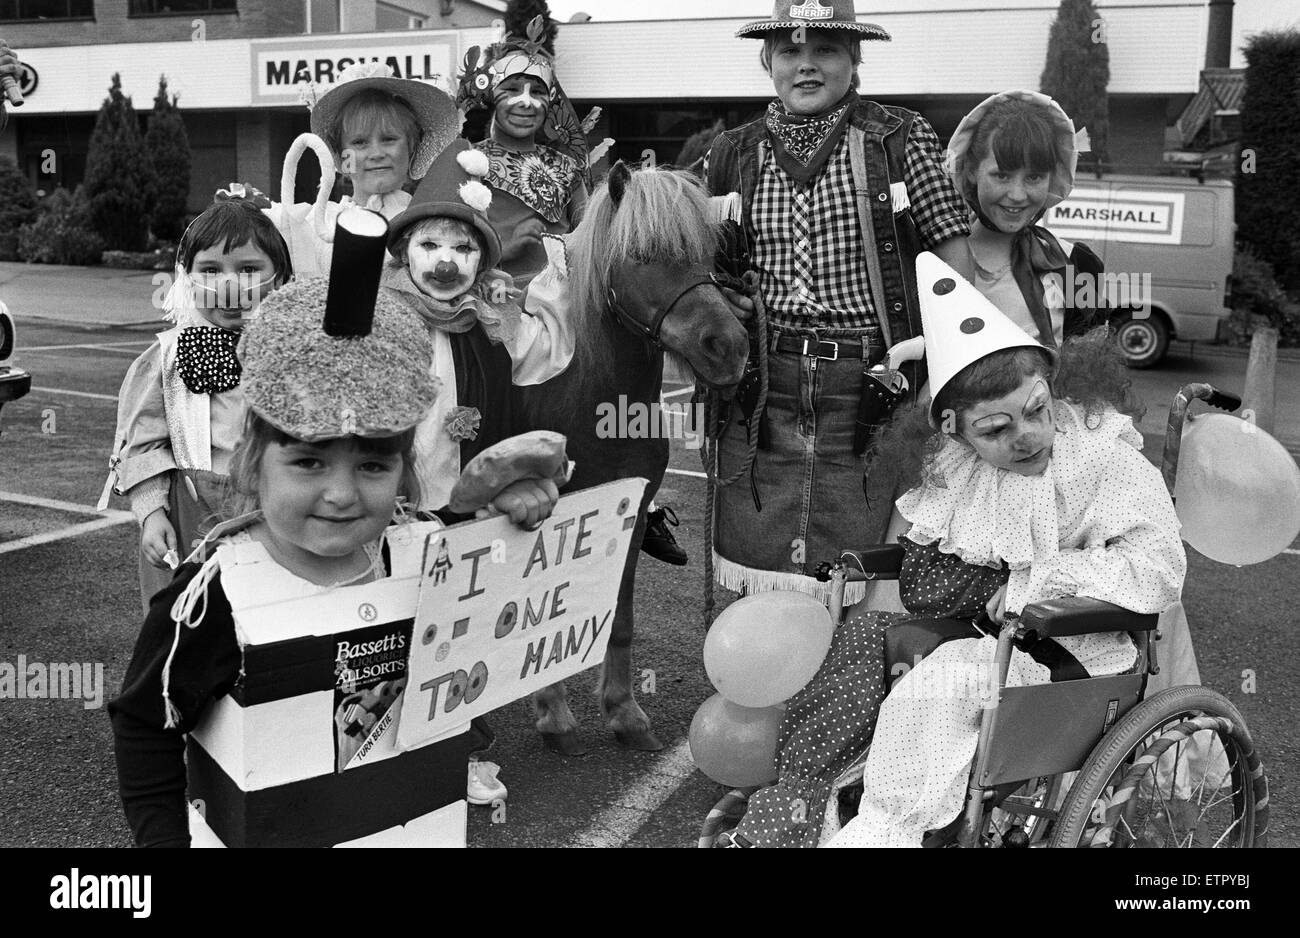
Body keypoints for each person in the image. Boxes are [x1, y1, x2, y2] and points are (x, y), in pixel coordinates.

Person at [108, 212, 560, 847]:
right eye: (308, 460)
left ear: (405, 470)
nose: (343, 495)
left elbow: (506, 634)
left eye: (374, 463)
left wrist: (512, 525)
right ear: (254, 464)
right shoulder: (211, 598)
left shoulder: (426, 554)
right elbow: (144, 718)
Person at [716, 253, 1185, 847]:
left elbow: (1160, 570)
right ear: (953, 431)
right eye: (995, 429)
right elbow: (932, 562)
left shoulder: (1103, 460)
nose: (1026, 436)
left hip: (1073, 649)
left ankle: (885, 831)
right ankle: (807, 808)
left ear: (1051, 387)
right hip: (978, 635)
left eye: (1036, 409)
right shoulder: (957, 471)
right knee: (856, 643)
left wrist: (1035, 583)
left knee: (945, 680)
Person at [705, 1, 976, 604]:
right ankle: (767, 684)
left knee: (866, 553)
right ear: (766, 61)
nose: (806, 66)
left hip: (876, 381)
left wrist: (944, 362)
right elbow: (703, 264)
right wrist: (725, 298)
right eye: (790, 52)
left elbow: (953, 259)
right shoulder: (731, 152)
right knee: (760, 545)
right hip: (763, 382)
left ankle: (845, 689)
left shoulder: (898, 138)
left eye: (825, 50)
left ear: (854, 59)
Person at [100, 186, 292, 612]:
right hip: (191, 517)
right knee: (191, 627)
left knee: (270, 622)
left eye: (247, 269)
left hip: (276, 513)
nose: (229, 285)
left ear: (278, 276)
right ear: (186, 277)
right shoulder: (166, 359)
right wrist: (152, 514)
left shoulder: (294, 352)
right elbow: (143, 445)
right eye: (209, 269)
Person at [381, 137, 574, 513]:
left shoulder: (496, 320)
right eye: (430, 245)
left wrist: (561, 272)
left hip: (475, 508)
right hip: (395, 509)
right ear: (405, 252)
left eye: (463, 249)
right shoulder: (381, 316)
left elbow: (549, 352)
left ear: (482, 262)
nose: (445, 263)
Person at [945, 89, 1105, 347]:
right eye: (1002, 175)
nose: (1017, 195)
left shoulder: (1073, 265)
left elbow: (1085, 371)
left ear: (1051, 178)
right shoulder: (936, 259)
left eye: (1034, 177)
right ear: (972, 170)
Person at [281, 62, 461, 277]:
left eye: (388, 139)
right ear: (340, 157)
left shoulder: (440, 226)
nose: (376, 153)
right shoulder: (312, 224)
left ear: (412, 148)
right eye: (359, 142)